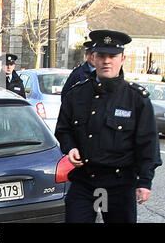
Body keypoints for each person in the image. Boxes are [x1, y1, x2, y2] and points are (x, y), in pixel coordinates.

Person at [55, 29, 162, 223]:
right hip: (85, 181)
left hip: (119, 184)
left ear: (122, 59)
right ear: (93, 58)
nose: (106, 61)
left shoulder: (136, 99)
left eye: (112, 56)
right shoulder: (76, 95)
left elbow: (148, 142)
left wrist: (145, 181)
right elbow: (63, 129)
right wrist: (70, 148)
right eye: (101, 56)